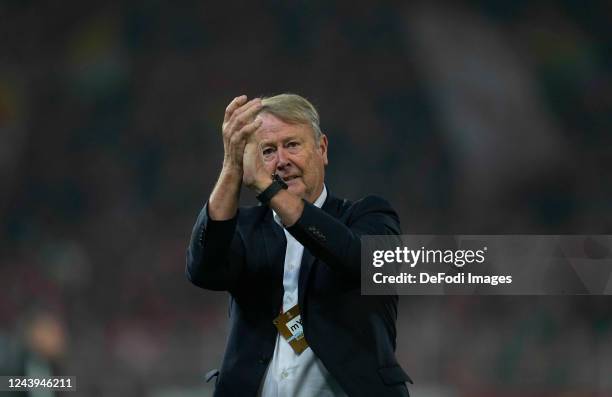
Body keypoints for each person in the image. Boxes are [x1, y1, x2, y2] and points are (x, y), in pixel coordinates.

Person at [186, 93, 412, 397]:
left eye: (292, 145)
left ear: (322, 149)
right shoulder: (245, 229)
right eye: (267, 151)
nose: (281, 161)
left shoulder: (369, 216)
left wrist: (267, 189)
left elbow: (358, 261)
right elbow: (203, 271)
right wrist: (231, 166)